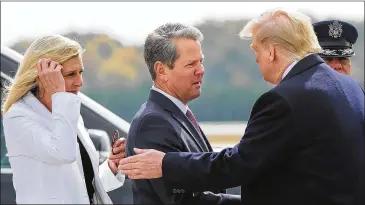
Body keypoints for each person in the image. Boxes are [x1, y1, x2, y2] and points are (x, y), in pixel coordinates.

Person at [119, 9, 365, 205]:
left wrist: (165, 164)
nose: (256, 58)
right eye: (191, 63)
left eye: (256, 49)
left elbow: (239, 164)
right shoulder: (352, 88)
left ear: (271, 51)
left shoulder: (285, 99)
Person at [1, 35, 126, 204]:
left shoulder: (67, 111)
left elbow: (80, 189)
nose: (79, 82)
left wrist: (111, 167)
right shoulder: (19, 117)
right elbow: (63, 153)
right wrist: (60, 96)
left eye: (80, 72)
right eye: (70, 74)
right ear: (43, 76)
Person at [125, 23, 240, 205]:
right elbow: (181, 200)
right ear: (161, 70)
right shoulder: (153, 122)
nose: (201, 70)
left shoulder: (175, 113)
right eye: (191, 64)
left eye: (201, 61)